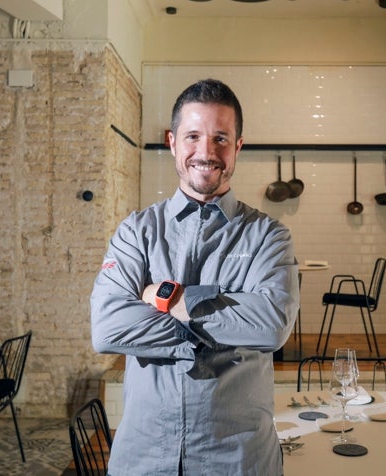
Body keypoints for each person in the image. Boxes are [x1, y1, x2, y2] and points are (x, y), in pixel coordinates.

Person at [91, 78, 299, 475]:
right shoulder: (136, 232)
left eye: (221, 138)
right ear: (172, 141)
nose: (206, 152)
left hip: (238, 459)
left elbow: (271, 326)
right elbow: (107, 328)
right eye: (193, 136)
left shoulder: (268, 235)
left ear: (238, 146)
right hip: (144, 457)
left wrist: (168, 300)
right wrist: (221, 330)